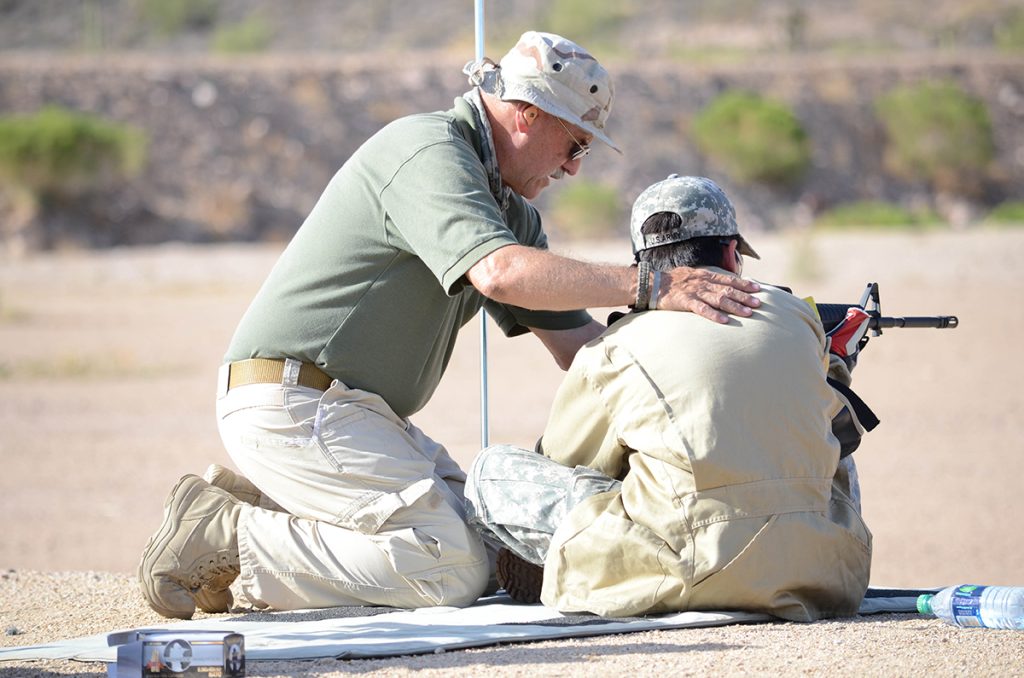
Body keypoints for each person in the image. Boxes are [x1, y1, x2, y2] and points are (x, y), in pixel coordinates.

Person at [136, 32, 761, 621]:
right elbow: (497, 272)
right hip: (293, 401)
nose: (575, 169)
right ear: (528, 114)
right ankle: (228, 537)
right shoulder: (427, 151)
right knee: (451, 567)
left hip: (356, 416)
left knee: (494, 542)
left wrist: (711, 359)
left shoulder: (508, 208)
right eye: (577, 145)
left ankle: (271, 516)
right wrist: (649, 285)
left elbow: (582, 351)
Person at [465, 175, 874, 621]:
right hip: (830, 575)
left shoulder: (613, 347)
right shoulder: (800, 317)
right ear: (732, 253)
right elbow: (832, 433)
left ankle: (557, 565)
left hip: (683, 576)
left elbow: (566, 462)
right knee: (829, 439)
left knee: (492, 470)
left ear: (642, 264)